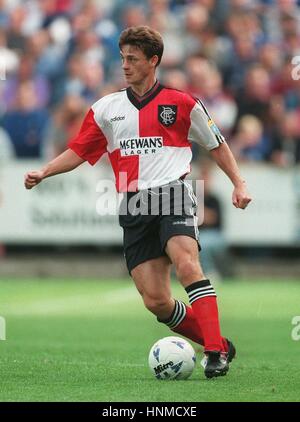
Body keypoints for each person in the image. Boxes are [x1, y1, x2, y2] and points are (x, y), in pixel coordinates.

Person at [24, 26, 252, 379]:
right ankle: (218, 342)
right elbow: (79, 150)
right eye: (123, 58)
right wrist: (45, 170)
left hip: (172, 193)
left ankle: (213, 354)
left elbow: (217, 143)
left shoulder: (182, 103)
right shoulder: (106, 109)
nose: (125, 65)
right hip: (133, 204)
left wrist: (238, 183)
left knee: (188, 265)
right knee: (156, 301)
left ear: (153, 60)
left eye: (132, 59)